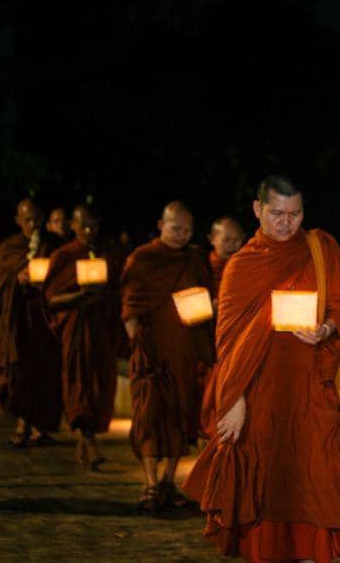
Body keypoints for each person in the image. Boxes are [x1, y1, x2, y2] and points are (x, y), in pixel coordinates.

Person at [184, 175, 340, 562]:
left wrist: (326, 328)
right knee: (267, 484)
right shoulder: (243, 266)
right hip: (261, 393)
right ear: (258, 209)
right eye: (276, 213)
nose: (285, 223)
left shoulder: (320, 247)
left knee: (315, 482)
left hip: (311, 390)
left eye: (294, 214)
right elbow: (228, 343)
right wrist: (235, 399)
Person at [121, 201, 213, 511]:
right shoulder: (143, 258)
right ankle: (148, 483)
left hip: (185, 350)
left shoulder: (194, 259)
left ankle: (168, 482)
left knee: (179, 414)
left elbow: (204, 297)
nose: (182, 235)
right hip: (151, 352)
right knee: (148, 415)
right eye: (176, 228)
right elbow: (130, 309)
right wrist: (138, 345)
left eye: (188, 230)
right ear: (161, 224)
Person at [43, 205, 121, 469]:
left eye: (95, 226)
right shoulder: (64, 256)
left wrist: (103, 296)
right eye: (84, 226)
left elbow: (115, 293)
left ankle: (85, 440)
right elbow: (51, 299)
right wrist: (79, 296)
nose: (90, 231)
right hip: (75, 329)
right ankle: (89, 443)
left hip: (99, 330)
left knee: (100, 383)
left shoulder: (104, 255)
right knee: (78, 383)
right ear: (73, 226)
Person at [0, 200, 64, 446]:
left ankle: (39, 427)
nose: (32, 225)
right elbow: (1, 279)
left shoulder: (50, 245)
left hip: (43, 318)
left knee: (43, 370)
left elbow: (60, 276)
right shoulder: (10, 247)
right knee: (21, 370)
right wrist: (17, 280)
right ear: (18, 220)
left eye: (36, 219)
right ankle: (22, 424)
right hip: (18, 318)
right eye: (27, 219)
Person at [197, 215, 245, 439]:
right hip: (204, 342)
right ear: (211, 239)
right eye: (226, 240)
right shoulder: (199, 267)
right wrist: (209, 309)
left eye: (237, 240)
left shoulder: (248, 266)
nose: (232, 246)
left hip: (237, 343)